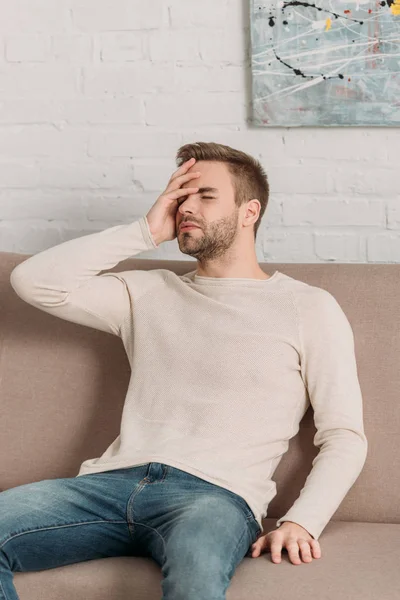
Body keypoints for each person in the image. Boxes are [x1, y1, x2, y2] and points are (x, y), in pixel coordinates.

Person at [3, 142, 368, 599]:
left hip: (215, 495)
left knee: (196, 579)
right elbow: (33, 282)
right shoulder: (147, 292)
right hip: (106, 484)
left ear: (248, 211)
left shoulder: (308, 307)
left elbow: (344, 435)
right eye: (180, 197)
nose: (187, 207)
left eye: (206, 196)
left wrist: (301, 521)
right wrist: (143, 231)